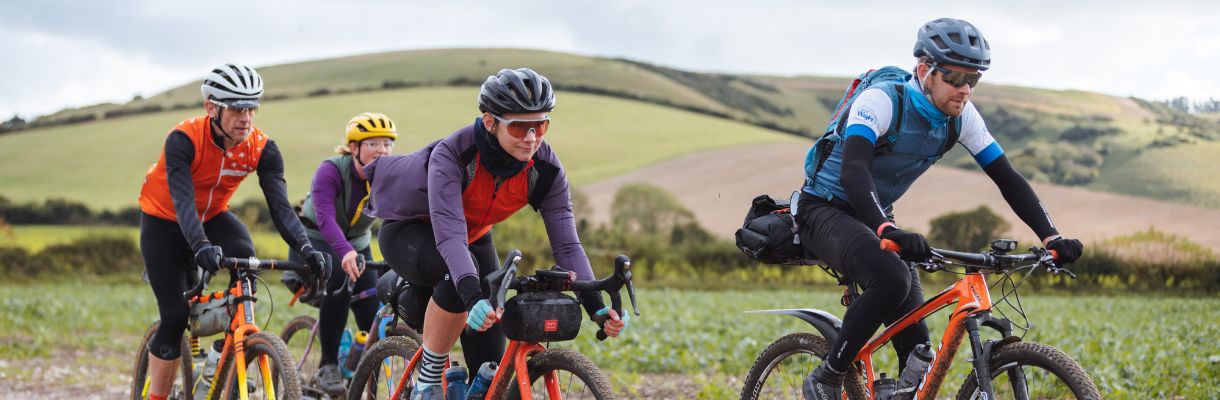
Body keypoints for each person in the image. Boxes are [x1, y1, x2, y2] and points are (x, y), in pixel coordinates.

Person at [797, 19, 1085, 399]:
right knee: (893, 278)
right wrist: (886, 229)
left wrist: (1052, 236)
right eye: (955, 78)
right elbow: (854, 171)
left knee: (918, 353)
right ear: (924, 71)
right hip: (824, 208)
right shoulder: (882, 101)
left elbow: (1008, 178)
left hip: (877, 215)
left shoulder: (961, 117)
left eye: (973, 80)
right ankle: (827, 376)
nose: (965, 89)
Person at [363, 68, 628, 399]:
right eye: (519, 126)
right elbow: (449, 234)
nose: (531, 137)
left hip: (474, 238)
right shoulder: (454, 155)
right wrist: (472, 294)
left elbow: (567, 243)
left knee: (489, 371)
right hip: (412, 231)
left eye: (541, 125)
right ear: (490, 122)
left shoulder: (544, 170)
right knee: (461, 276)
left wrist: (595, 304)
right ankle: (428, 381)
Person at [137, 63, 328, 400]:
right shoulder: (183, 139)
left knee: (247, 266)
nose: (247, 117)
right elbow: (182, 201)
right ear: (212, 107)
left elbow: (282, 209)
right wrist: (200, 246)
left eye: (252, 107)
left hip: (212, 216)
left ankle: (219, 359)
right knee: (175, 315)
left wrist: (306, 249)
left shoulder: (262, 148)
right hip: (164, 220)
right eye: (238, 108)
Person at [291, 112, 397, 396]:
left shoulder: (388, 175)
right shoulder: (330, 170)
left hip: (358, 242)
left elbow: (400, 216)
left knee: (372, 305)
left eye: (387, 144)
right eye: (373, 143)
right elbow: (325, 218)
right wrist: (345, 253)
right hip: (315, 237)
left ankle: (363, 367)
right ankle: (327, 365)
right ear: (354, 148)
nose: (382, 150)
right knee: (339, 280)